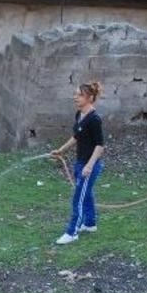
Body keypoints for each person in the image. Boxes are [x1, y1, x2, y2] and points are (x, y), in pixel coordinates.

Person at [51, 82, 105, 245]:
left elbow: (100, 146)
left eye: (79, 95)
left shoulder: (94, 119)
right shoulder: (79, 114)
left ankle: (72, 232)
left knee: (78, 198)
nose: (75, 97)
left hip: (90, 165)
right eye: (75, 94)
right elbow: (77, 137)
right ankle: (90, 224)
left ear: (90, 98)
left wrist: (89, 166)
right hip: (80, 162)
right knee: (85, 194)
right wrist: (61, 150)